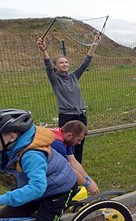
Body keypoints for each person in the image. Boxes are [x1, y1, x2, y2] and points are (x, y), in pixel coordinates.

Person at [37, 33, 101, 165]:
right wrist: (44, 50)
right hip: (67, 117)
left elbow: (86, 61)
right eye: (61, 63)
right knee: (67, 148)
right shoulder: (55, 79)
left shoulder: (74, 76)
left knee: (79, 145)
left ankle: (79, 171)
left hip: (81, 115)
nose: (65, 64)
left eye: (66, 62)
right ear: (56, 66)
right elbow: (48, 66)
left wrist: (94, 43)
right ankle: (66, 170)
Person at [49, 120, 100, 195]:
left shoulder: (64, 138)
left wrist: (89, 180)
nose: (79, 143)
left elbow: (74, 163)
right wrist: (87, 185)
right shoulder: (57, 143)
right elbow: (68, 169)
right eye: (78, 140)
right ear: (69, 135)